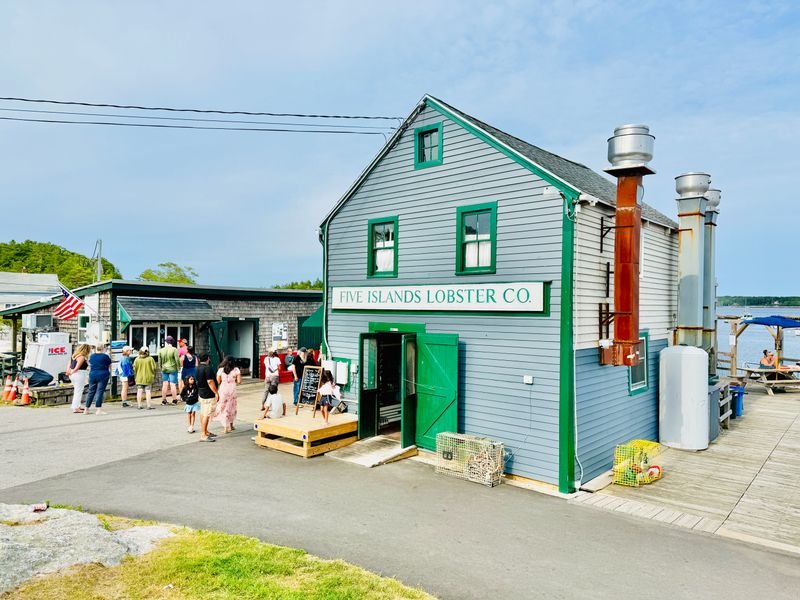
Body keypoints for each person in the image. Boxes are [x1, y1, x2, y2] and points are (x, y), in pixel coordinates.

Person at [214, 356, 241, 434]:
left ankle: (226, 428)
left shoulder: (221, 370)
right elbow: (239, 381)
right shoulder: (236, 370)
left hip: (223, 390)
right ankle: (231, 426)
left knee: (224, 408)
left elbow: (218, 381)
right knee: (232, 407)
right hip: (232, 390)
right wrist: (233, 380)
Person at [196, 354, 219, 442]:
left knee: (203, 412)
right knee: (206, 414)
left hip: (201, 393)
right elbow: (210, 381)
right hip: (208, 394)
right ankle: (203, 435)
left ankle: (205, 431)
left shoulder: (197, 368)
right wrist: (216, 392)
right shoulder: (207, 368)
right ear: (208, 359)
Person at [85, 345, 112, 415]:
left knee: (91, 391)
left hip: (92, 374)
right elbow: (109, 365)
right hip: (103, 374)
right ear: (103, 349)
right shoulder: (105, 356)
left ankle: (86, 409)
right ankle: (98, 409)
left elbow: (90, 364)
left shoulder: (92, 356)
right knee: (100, 391)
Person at [66, 344, 91, 413]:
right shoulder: (82, 357)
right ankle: (76, 408)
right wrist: (73, 371)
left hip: (73, 375)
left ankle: (77, 405)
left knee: (77, 390)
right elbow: (77, 367)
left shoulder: (74, 356)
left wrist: (68, 371)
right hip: (79, 374)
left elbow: (69, 364)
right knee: (78, 391)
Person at [158, 335, 180, 405]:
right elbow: (177, 360)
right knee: (172, 384)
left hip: (164, 369)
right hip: (172, 368)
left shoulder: (161, 350)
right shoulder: (174, 349)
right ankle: (174, 400)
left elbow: (159, 361)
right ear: (172, 342)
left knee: (165, 384)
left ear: (166, 342)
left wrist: (161, 367)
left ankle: (163, 400)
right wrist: (178, 367)